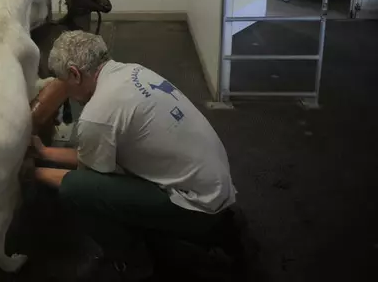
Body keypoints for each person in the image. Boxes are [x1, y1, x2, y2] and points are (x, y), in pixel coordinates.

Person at [31, 30, 241, 281]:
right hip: (217, 185)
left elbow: (87, 181)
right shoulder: (132, 71)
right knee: (106, 171)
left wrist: (31, 171)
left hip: (198, 206)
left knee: (75, 191)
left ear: (75, 74)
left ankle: (133, 262)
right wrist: (44, 152)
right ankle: (213, 230)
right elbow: (92, 155)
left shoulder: (97, 114)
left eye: (62, 81)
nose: (62, 88)